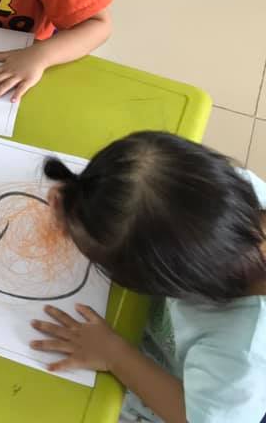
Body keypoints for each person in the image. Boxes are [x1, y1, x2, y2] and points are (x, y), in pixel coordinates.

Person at [31, 132, 266, 423]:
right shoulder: (233, 192)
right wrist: (78, 206)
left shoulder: (241, 354)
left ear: (161, 282)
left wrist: (115, 355)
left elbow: (198, 417)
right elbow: (143, 187)